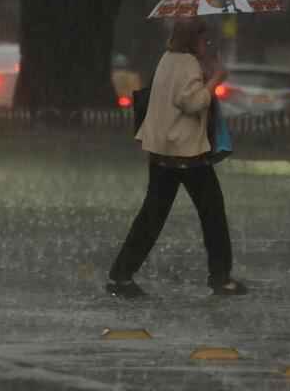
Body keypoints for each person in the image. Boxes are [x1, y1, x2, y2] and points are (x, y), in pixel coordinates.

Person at [106, 17, 248, 298]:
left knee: (151, 216)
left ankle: (121, 275)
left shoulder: (168, 59)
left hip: (162, 152)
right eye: (204, 40)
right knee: (213, 214)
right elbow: (191, 102)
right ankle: (221, 278)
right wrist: (215, 81)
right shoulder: (187, 64)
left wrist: (205, 76)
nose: (206, 45)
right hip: (187, 154)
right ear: (193, 40)